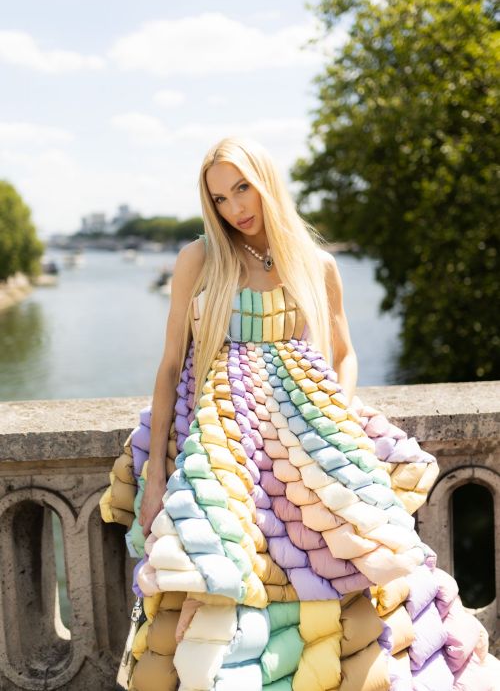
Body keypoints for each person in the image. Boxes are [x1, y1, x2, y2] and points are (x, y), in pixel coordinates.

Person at [100, 136, 499, 691]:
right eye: (219, 198)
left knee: (341, 556)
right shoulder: (199, 259)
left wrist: (337, 408)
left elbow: (344, 352)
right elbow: (170, 367)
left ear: (267, 182)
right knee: (229, 564)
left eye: (243, 188)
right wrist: (159, 472)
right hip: (227, 435)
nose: (235, 207)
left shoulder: (316, 264)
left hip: (302, 432)